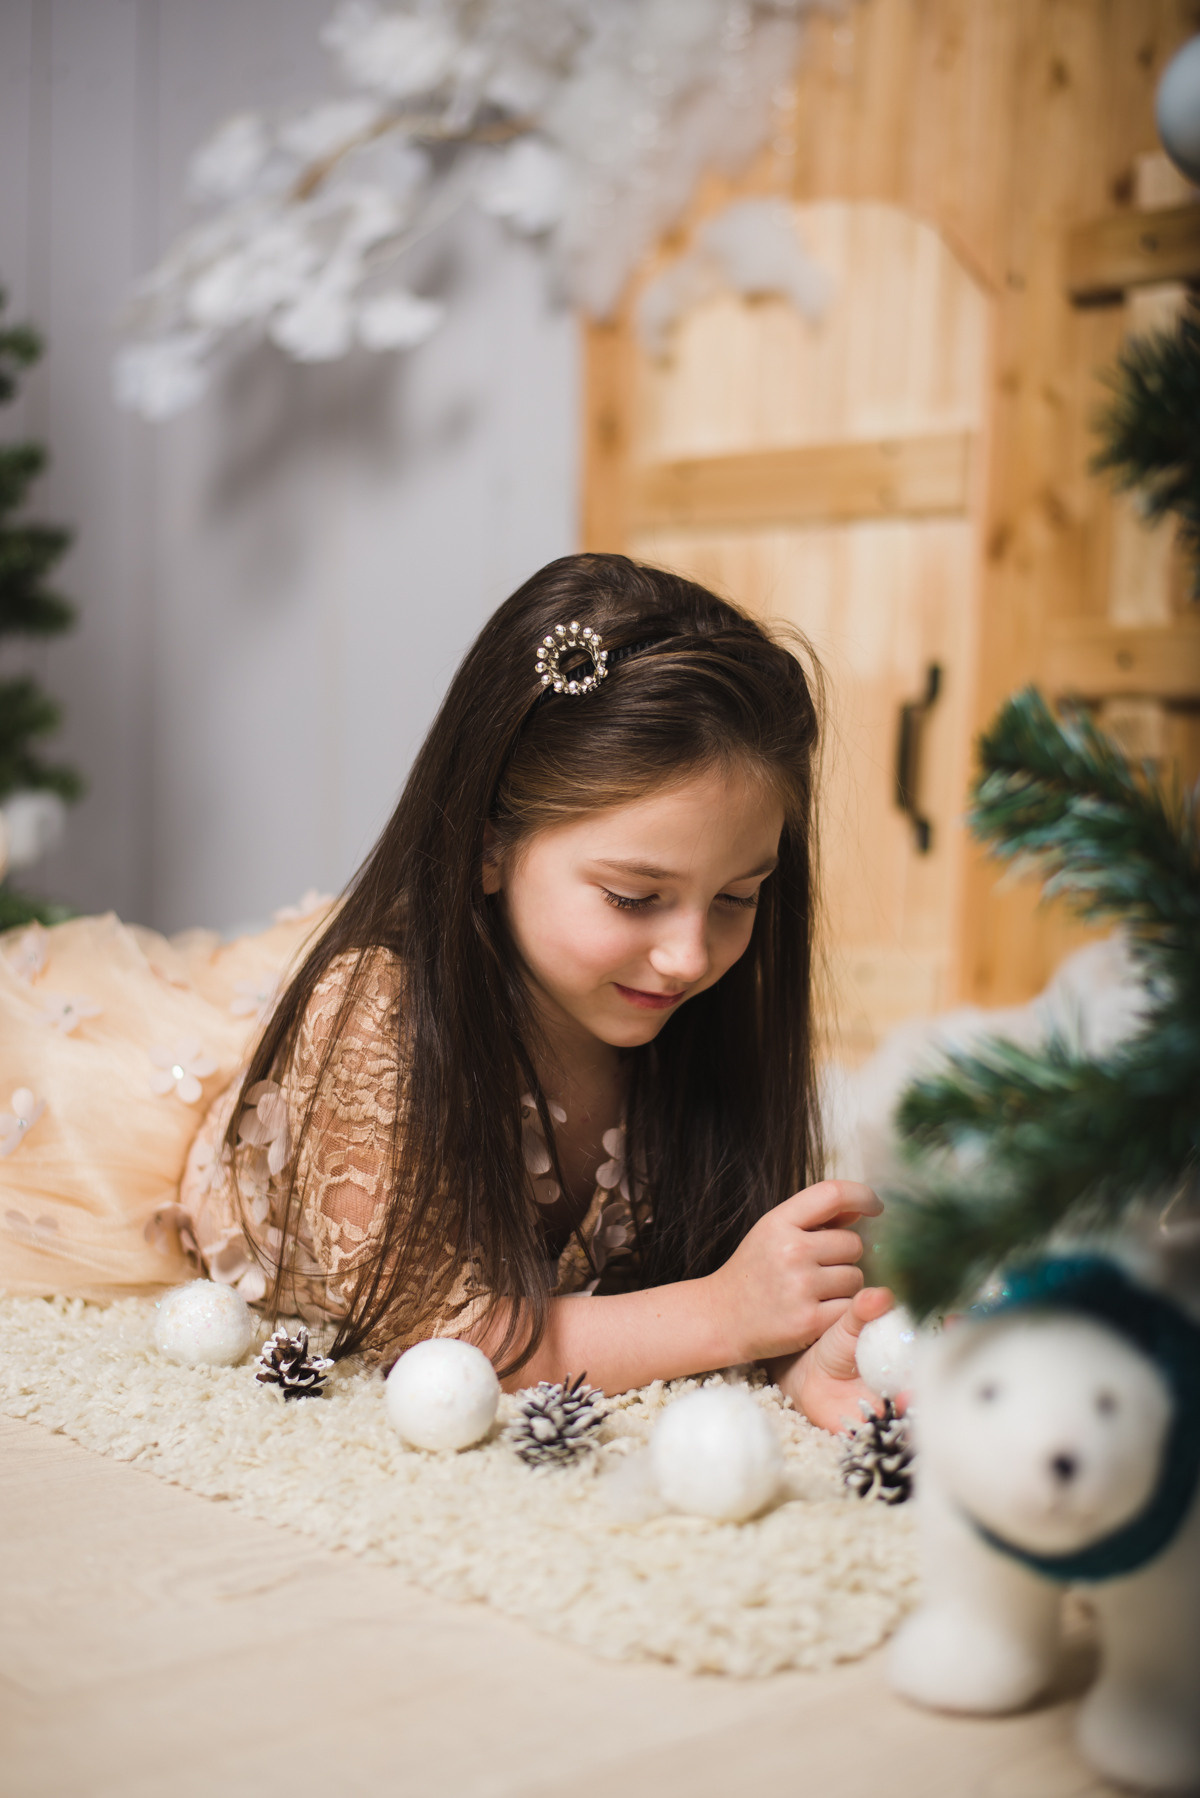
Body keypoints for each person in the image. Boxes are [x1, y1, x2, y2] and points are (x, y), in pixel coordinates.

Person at [0, 554, 890, 1429]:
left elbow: (713, 1262)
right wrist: (723, 1314)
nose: (690, 956)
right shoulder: (375, 1021)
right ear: (487, 845)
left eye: (738, 898)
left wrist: (806, 1348)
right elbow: (437, 1338)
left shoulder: (692, 1012)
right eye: (633, 897)